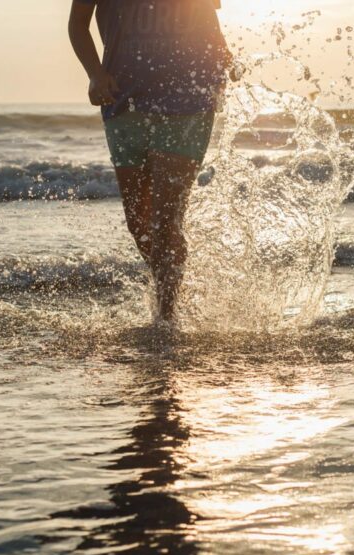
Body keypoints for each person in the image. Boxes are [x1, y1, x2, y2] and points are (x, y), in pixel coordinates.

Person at [68, 0, 232, 324]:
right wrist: (95, 74)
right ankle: (172, 283)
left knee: (165, 220)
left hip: (188, 102)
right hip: (122, 100)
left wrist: (224, 63)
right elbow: (77, 25)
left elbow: (208, 22)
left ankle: (165, 317)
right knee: (139, 224)